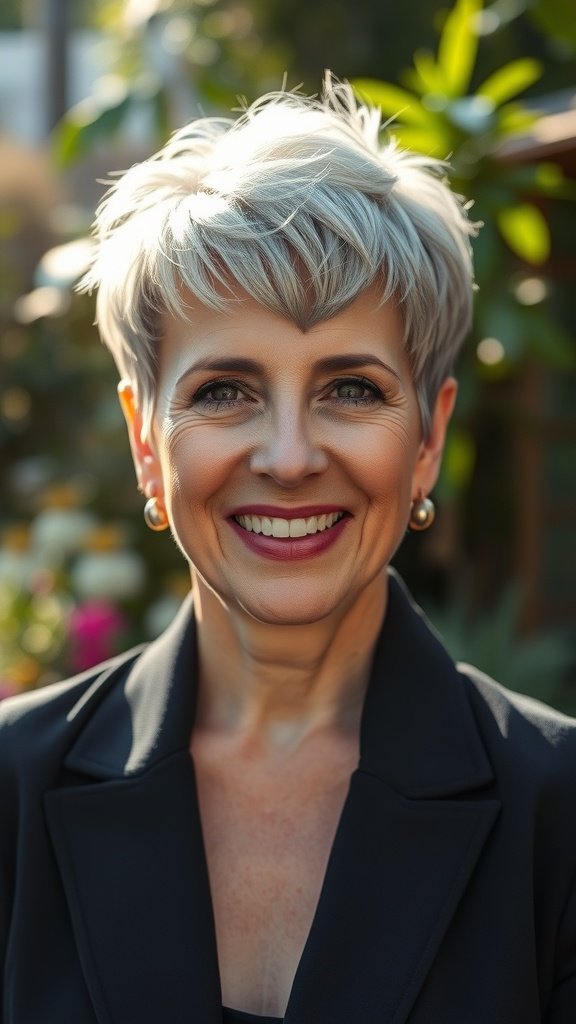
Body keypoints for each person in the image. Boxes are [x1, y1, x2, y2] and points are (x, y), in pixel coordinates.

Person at [1, 74, 575, 1024]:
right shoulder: (13, 793)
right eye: (225, 390)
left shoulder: (556, 816)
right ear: (147, 442)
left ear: (427, 439)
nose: (291, 457)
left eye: (350, 389)